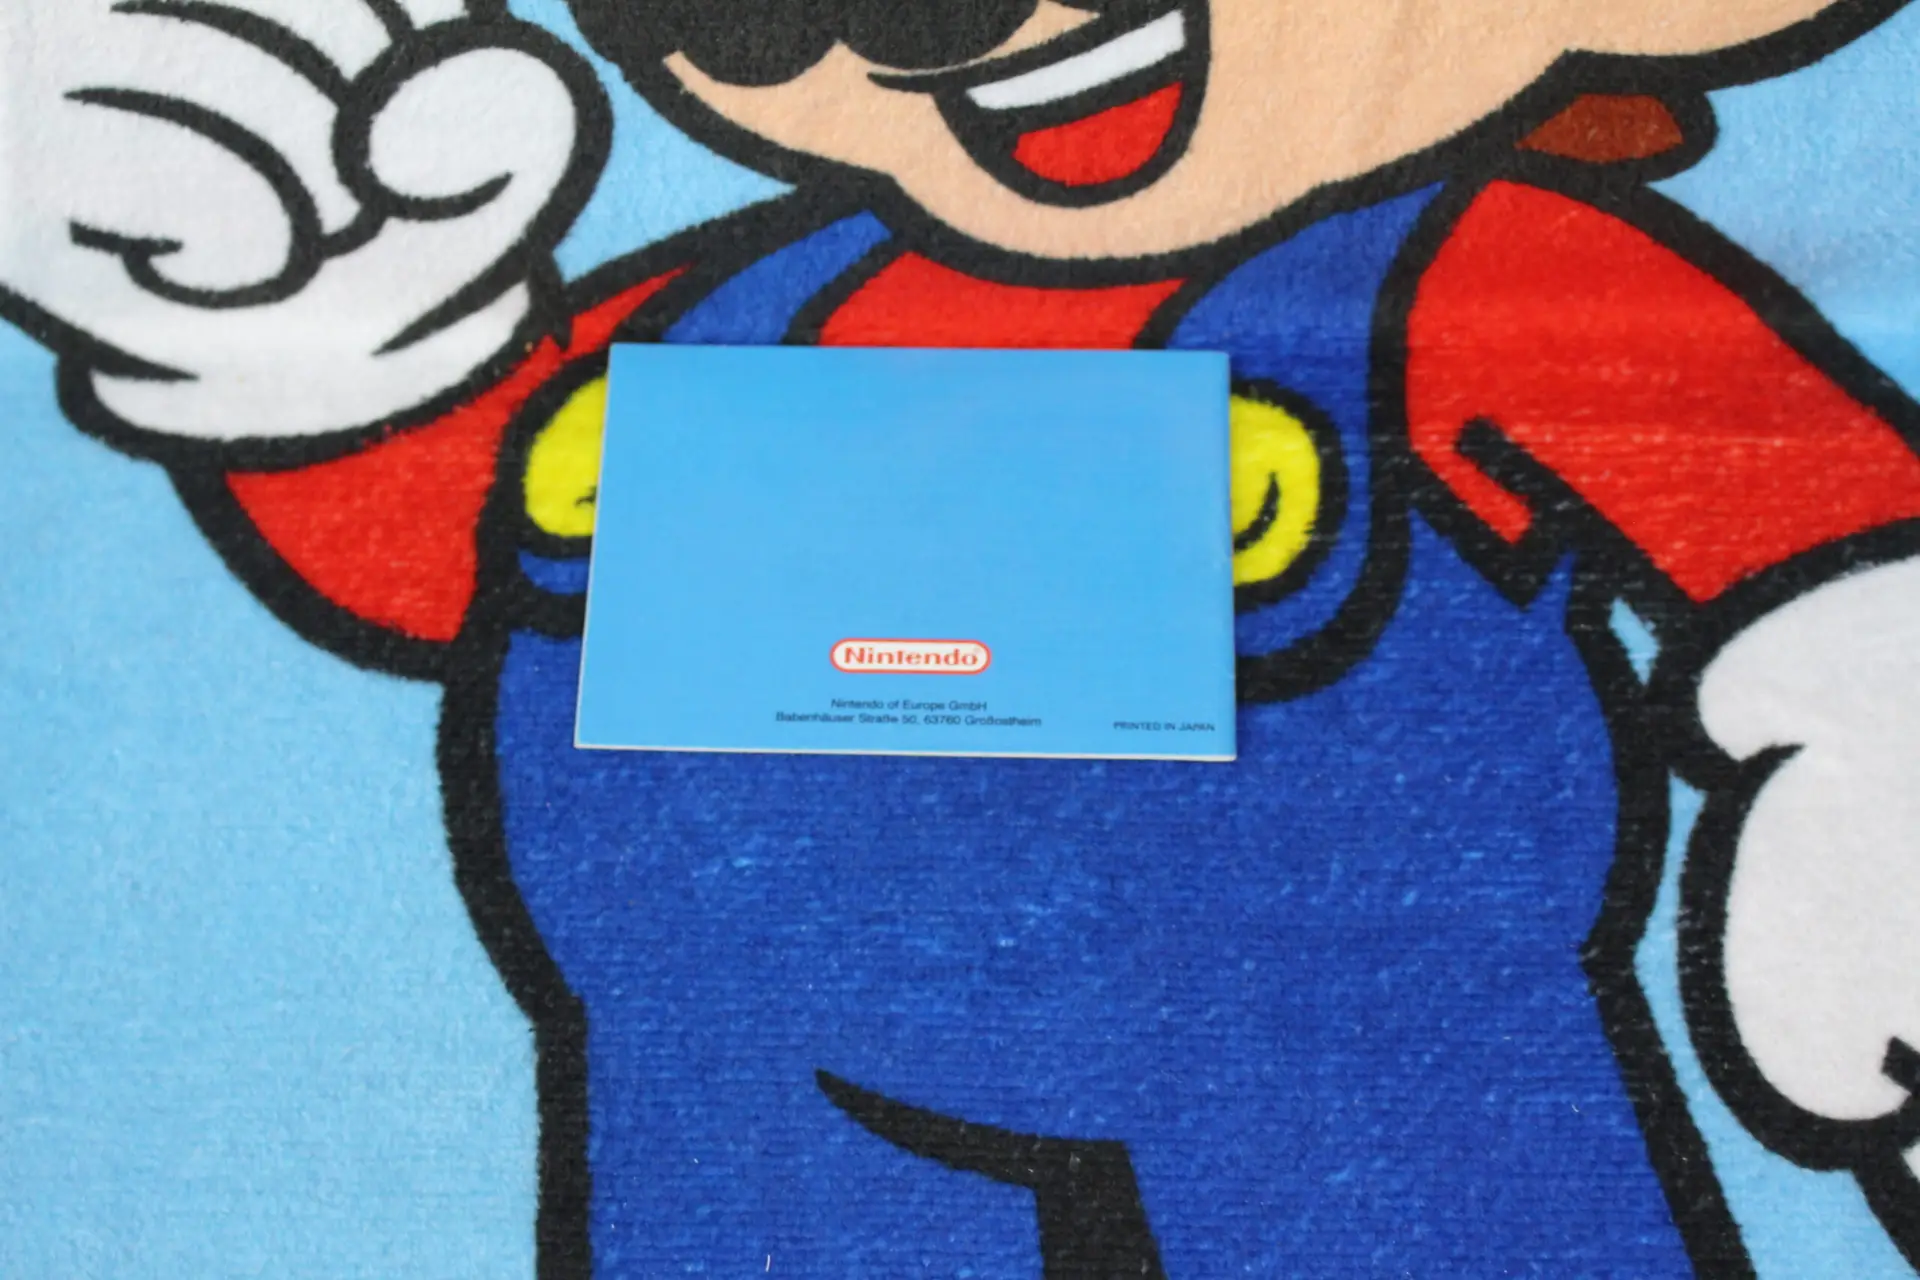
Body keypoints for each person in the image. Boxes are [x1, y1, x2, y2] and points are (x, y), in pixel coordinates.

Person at [6, 0, 1920, 1272]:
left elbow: (1800, 534)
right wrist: (317, 334)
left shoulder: (1479, 272)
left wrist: (1862, 784)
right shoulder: (697, 321)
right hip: (745, 1073)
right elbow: (434, 548)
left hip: (1350, 1040)